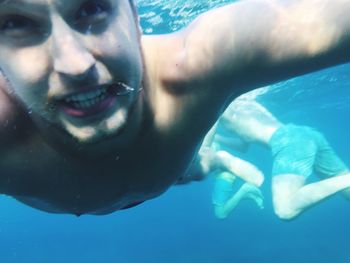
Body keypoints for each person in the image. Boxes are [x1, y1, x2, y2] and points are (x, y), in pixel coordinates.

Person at [1, 0, 350, 216]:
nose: (74, 65)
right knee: (195, 167)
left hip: (176, 169)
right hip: (168, 170)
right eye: (17, 23)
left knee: (198, 167)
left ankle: (215, 159)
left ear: (135, 19)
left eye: (91, 8)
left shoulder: (202, 63)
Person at [201, 98, 350, 220]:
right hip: (303, 133)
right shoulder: (241, 101)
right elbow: (242, 146)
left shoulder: (215, 103)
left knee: (285, 209)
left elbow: (205, 148)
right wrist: (218, 138)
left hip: (287, 141)